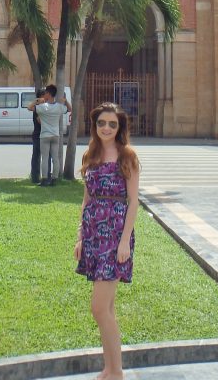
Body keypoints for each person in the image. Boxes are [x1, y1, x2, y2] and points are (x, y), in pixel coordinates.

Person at [74, 102, 139, 380]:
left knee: (99, 308)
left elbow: (134, 201)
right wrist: (80, 236)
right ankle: (111, 369)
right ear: (95, 125)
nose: (107, 128)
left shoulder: (128, 156)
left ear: (120, 128)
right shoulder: (90, 154)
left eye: (112, 124)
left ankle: (116, 372)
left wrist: (125, 242)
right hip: (92, 233)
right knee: (107, 309)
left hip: (114, 234)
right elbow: (86, 198)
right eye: (102, 123)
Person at [28, 84, 71, 185]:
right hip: (55, 135)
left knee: (45, 157)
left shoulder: (42, 107)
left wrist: (37, 101)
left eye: (46, 93)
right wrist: (65, 101)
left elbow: (29, 107)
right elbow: (69, 109)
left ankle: (44, 179)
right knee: (55, 158)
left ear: (48, 93)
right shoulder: (59, 107)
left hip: (45, 135)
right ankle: (54, 179)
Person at [30, 88, 45, 184]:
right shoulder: (37, 108)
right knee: (36, 156)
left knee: (46, 157)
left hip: (44, 135)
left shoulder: (46, 108)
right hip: (38, 135)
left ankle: (45, 176)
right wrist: (36, 101)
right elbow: (40, 121)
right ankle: (35, 177)